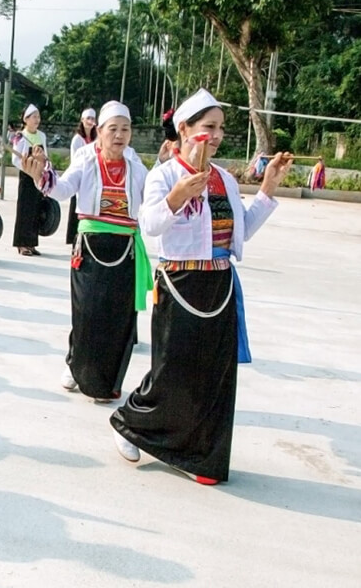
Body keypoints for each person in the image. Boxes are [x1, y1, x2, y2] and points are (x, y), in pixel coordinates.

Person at [109, 88, 293, 485]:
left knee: (214, 377)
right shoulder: (164, 175)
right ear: (185, 129)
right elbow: (150, 228)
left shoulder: (224, 179)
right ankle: (129, 423)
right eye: (208, 127)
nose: (216, 135)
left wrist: (268, 189)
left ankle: (200, 456)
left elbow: (239, 232)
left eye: (221, 128)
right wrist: (176, 198)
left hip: (220, 283)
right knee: (172, 372)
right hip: (180, 283)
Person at [24, 101, 152, 403]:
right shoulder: (85, 158)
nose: (120, 135)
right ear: (99, 131)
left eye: (125, 129)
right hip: (91, 248)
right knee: (87, 315)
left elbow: (154, 201)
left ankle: (107, 383)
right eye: (113, 129)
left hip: (127, 249)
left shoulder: (136, 165)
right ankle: (75, 364)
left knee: (119, 319)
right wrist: (40, 177)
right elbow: (63, 189)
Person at [11, 104, 48, 256]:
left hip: (38, 175)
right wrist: (27, 167)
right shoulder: (20, 136)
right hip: (27, 176)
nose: (37, 120)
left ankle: (32, 243)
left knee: (36, 209)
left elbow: (46, 155)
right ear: (26, 119)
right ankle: (21, 243)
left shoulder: (42, 136)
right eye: (34, 117)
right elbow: (15, 159)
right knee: (25, 209)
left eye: (38, 117)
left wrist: (44, 169)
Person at [65, 108, 97, 244]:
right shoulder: (77, 139)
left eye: (93, 119)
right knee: (76, 207)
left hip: (93, 177)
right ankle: (73, 236)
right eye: (88, 119)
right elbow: (75, 159)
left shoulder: (96, 138)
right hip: (80, 174)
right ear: (82, 120)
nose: (90, 121)